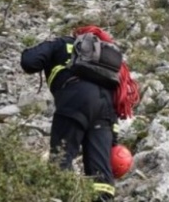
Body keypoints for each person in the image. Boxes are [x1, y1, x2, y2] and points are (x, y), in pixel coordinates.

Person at [20, 25, 137, 202]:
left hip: (75, 100)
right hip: (106, 108)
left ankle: (63, 195)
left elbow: (29, 62)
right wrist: (112, 142)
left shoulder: (61, 43)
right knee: (101, 176)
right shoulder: (104, 63)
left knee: (61, 159)